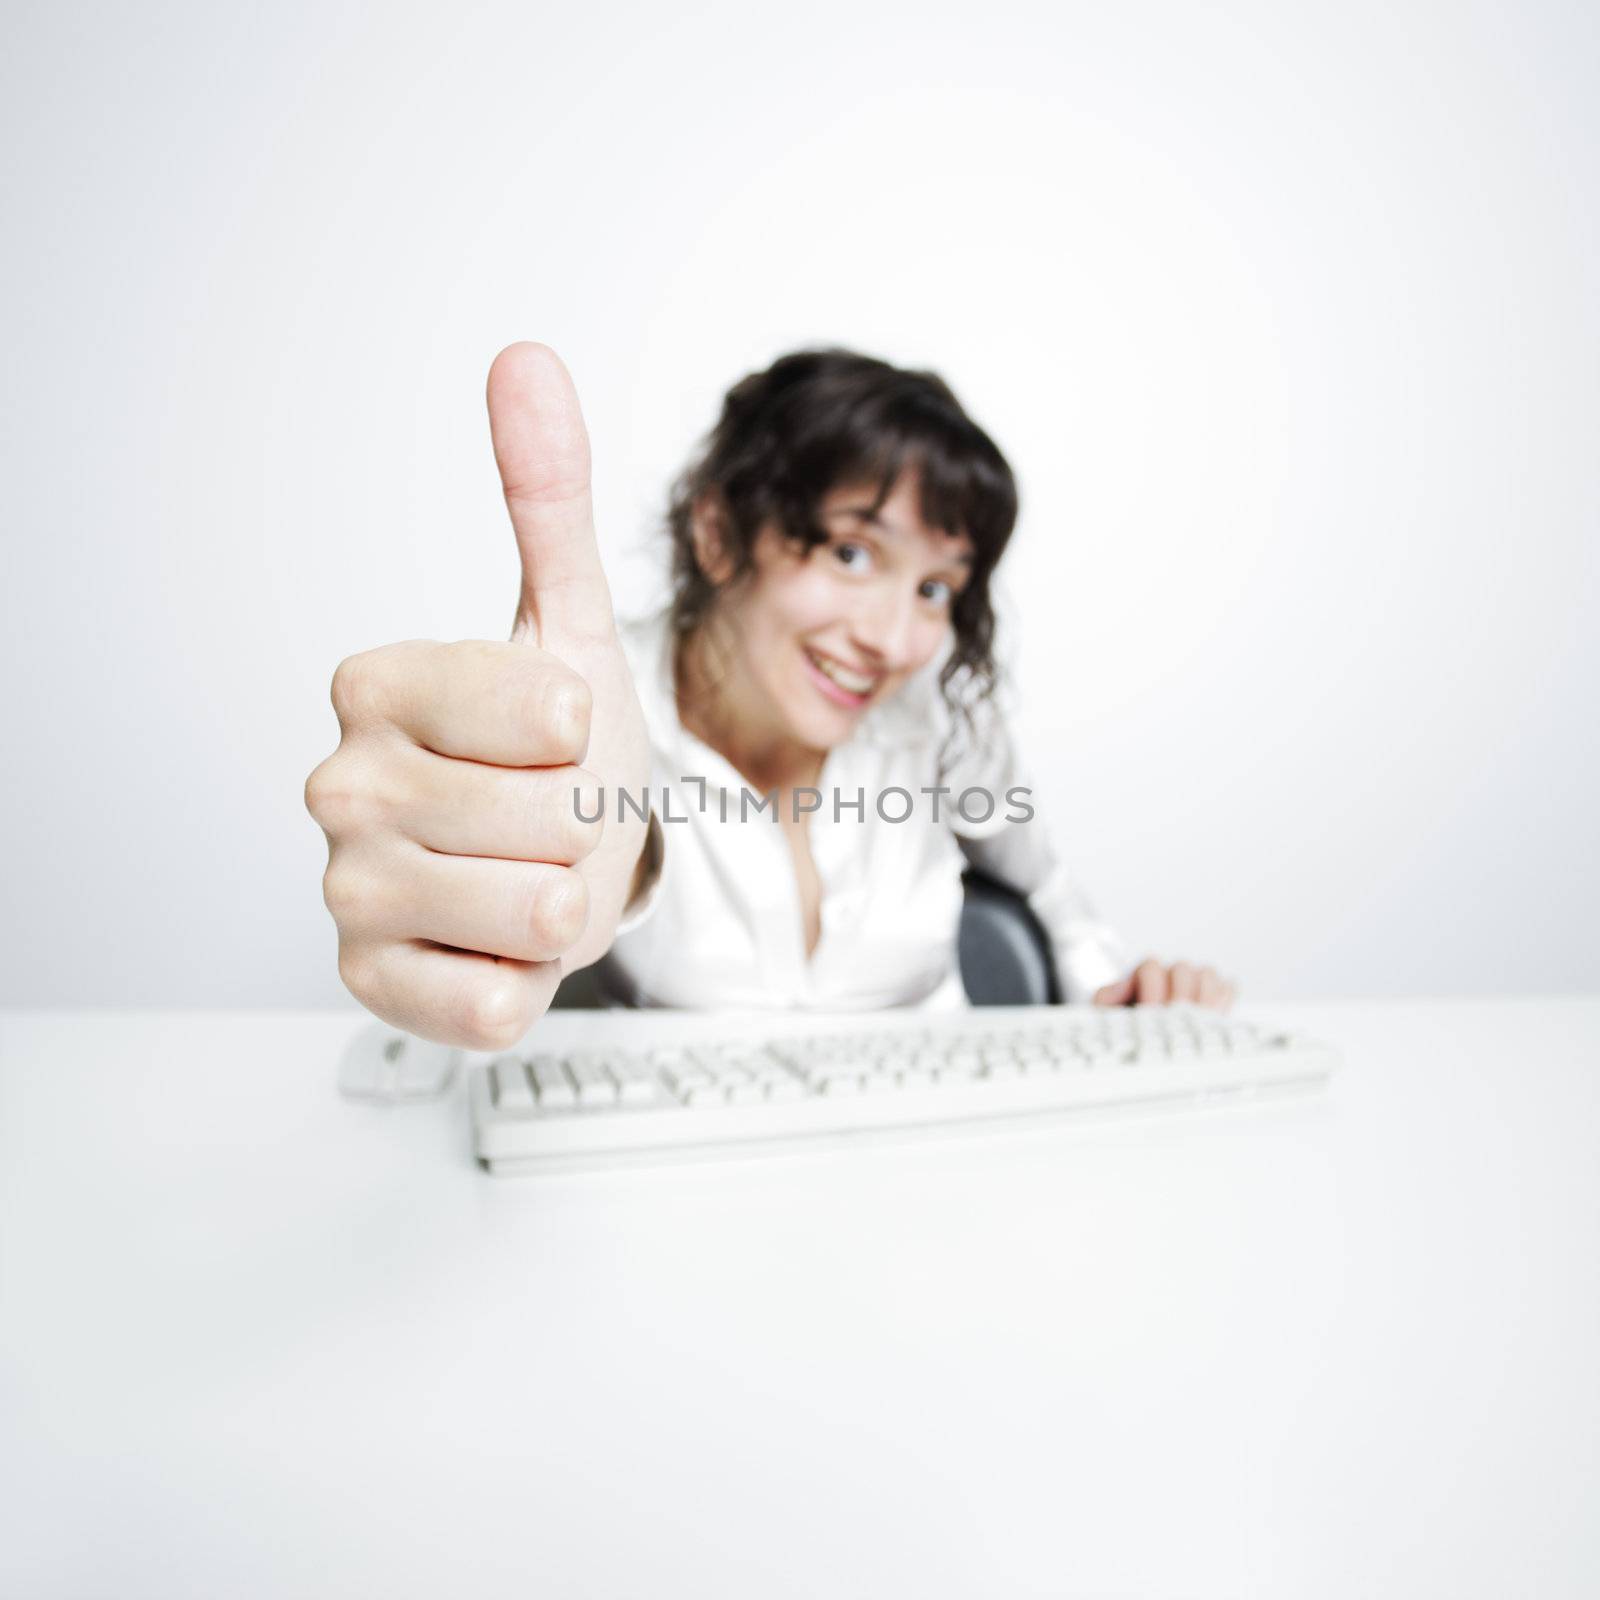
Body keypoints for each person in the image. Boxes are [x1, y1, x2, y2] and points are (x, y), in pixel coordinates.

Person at [305, 343, 1237, 1049]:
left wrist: (1117, 996)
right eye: (851, 553)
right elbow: (598, 844)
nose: (893, 638)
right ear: (718, 534)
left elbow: (1050, 894)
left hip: (941, 1181)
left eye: (935, 587)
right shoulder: (592, 709)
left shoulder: (937, 719)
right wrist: (537, 874)